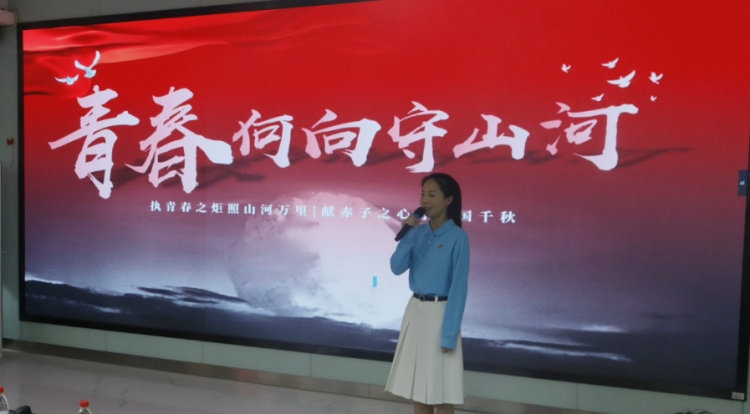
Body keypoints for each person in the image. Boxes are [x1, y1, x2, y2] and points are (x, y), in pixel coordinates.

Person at [385, 172, 470, 414]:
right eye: (423, 194)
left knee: (440, 393)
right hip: (415, 312)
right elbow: (396, 268)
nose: (425, 200)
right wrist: (408, 235)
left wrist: (449, 334)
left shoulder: (458, 237)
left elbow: (459, 288)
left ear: (448, 200)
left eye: (432, 195)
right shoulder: (417, 232)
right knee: (418, 391)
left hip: (440, 316)